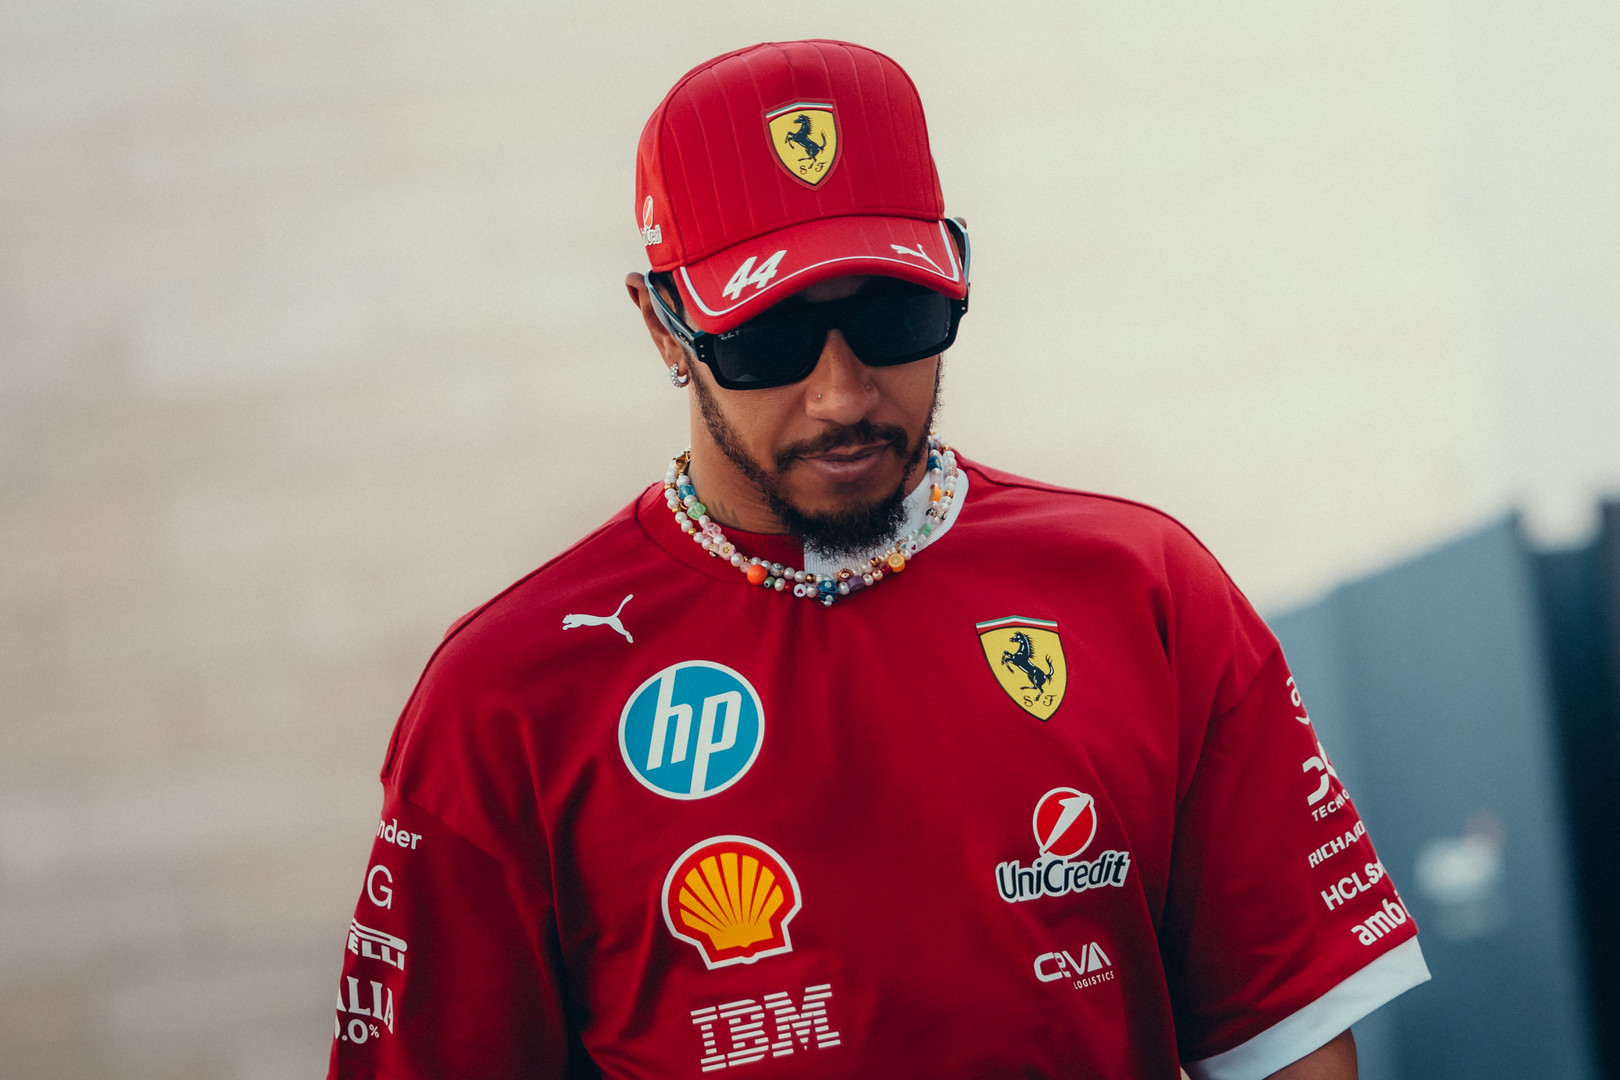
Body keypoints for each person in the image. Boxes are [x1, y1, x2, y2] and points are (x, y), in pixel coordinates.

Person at [326, 39, 1429, 1080]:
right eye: (768, 336)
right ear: (662, 327)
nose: (844, 393)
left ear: (956, 274)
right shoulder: (503, 697)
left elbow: (1291, 1044)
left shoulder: (1144, 589)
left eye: (896, 316)